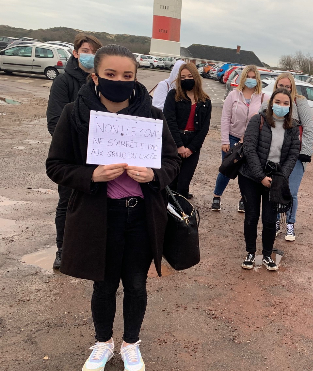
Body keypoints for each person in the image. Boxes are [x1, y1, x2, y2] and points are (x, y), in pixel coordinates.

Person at [45, 44, 180, 371]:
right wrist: (91, 174)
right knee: (103, 284)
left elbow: (172, 161)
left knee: (136, 283)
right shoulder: (74, 115)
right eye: (110, 74)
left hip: (140, 215)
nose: (119, 80)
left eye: (127, 75)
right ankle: (103, 342)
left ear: (135, 78)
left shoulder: (151, 116)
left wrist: (154, 175)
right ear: (95, 77)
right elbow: (55, 166)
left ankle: (131, 343)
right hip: (98, 216)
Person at [46, 33, 103, 270]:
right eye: (85, 50)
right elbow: (55, 122)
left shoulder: (102, 81)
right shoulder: (63, 82)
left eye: (94, 51)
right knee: (67, 202)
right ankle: (63, 248)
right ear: (76, 52)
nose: (89, 55)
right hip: (73, 157)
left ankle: (90, 248)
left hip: (100, 157)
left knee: (96, 203)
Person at [238, 88, 300, 271]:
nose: (281, 106)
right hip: (251, 176)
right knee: (251, 216)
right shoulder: (258, 120)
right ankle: (250, 252)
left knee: (270, 219)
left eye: (286, 103)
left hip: (275, 178)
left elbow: (293, 154)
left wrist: (280, 176)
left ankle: (266, 255)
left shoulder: (293, 127)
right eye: (278, 102)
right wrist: (261, 176)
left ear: (290, 106)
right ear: (271, 103)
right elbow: (249, 148)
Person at [261, 73, 313, 242]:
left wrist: (305, 151)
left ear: (293, 88)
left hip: (297, 155)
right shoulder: (269, 102)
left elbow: (309, 127)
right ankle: (276, 221)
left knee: (292, 191)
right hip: (276, 155)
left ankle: (290, 223)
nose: (284, 89)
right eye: (280, 85)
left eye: (288, 86)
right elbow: (260, 123)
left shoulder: (300, 102)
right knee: (275, 188)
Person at [212, 65, 270, 212]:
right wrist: (225, 140)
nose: (250, 80)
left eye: (253, 77)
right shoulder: (233, 95)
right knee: (227, 168)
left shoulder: (264, 98)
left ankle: (243, 199)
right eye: (248, 77)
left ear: (257, 80)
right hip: (232, 138)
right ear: (243, 78)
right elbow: (225, 118)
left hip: (252, 141)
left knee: (247, 173)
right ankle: (216, 196)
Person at [164, 63, 212, 199]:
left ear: (196, 77)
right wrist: (179, 146)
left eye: (190, 76)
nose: (187, 79)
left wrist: (191, 148)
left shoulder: (205, 100)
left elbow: (204, 128)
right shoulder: (173, 95)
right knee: (171, 180)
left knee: (184, 182)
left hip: (193, 143)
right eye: (183, 76)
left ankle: (182, 208)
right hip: (174, 141)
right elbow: (169, 121)